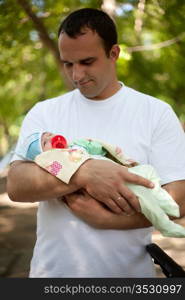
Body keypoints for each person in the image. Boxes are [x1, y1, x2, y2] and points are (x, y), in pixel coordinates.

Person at [7, 8, 185, 277]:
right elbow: (17, 185)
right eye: (68, 64)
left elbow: (178, 201)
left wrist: (110, 221)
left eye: (87, 62)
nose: (77, 75)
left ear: (114, 53)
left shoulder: (155, 113)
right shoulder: (44, 112)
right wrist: (83, 172)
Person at [15, 131, 185, 238]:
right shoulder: (53, 161)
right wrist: (82, 172)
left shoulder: (76, 146)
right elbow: (59, 170)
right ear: (41, 156)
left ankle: (164, 201)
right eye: (44, 142)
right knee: (144, 200)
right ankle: (165, 225)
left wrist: (88, 145)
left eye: (49, 134)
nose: (51, 138)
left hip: (122, 172)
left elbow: (97, 149)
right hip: (116, 187)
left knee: (148, 173)